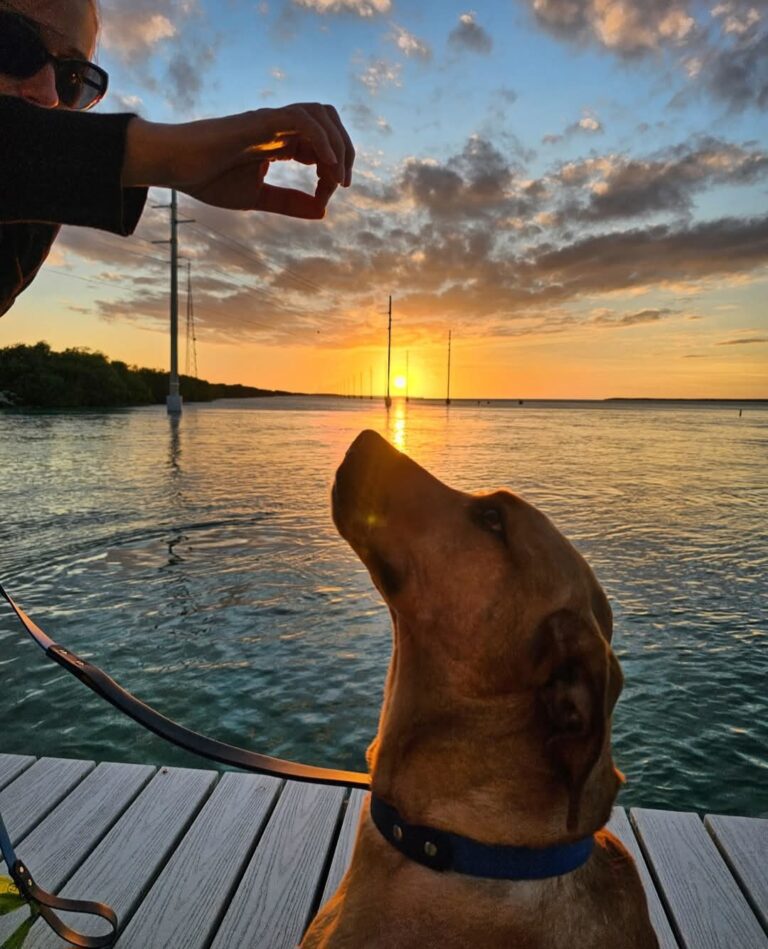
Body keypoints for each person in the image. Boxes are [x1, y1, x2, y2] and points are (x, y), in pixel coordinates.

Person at [0, 0, 355, 316]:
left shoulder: (29, 224)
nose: (48, 95)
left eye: (73, 80)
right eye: (13, 44)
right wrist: (171, 158)